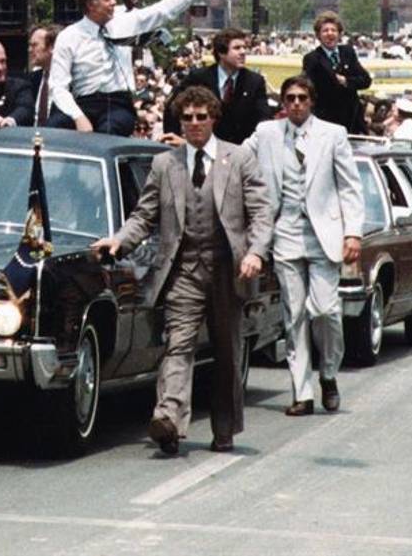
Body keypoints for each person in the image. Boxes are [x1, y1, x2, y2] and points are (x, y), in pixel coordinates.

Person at [92, 86, 272, 454]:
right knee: (178, 344)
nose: (193, 124)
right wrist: (120, 240)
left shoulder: (238, 159)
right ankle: (169, 419)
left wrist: (255, 252)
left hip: (228, 269)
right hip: (183, 269)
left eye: (201, 116)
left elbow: (261, 212)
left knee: (226, 351)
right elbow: (144, 216)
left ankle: (224, 428)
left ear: (213, 118)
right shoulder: (165, 164)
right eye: (187, 117)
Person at [244, 76, 363, 415]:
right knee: (293, 313)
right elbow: (233, 156)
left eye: (301, 98)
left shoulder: (333, 134)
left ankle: (328, 373)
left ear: (311, 101)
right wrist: (190, 144)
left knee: (325, 311)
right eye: (289, 98)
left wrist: (352, 232)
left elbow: (350, 187)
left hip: (324, 234)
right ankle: (302, 391)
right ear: (282, 102)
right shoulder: (267, 133)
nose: (295, 103)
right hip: (284, 233)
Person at [48, 0, 211, 136]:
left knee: (109, 132)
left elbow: (163, 10)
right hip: (82, 101)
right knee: (54, 130)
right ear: (91, 5)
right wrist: (78, 117)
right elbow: (57, 87)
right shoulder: (69, 36)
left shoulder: (124, 22)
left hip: (117, 103)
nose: (113, 3)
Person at [164, 28, 273, 144]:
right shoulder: (199, 77)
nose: (243, 52)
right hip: (204, 148)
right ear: (221, 52)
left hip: (240, 152)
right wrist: (174, 140)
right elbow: (173, 107)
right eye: (237, 48)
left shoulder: (254, 81)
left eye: (244, 47)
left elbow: (264, 120)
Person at [300, 11, 371, 134]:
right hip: (326, 120)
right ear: (318, 35)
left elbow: (365, 79)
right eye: (325, 31)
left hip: (352, 120)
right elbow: (309, 88)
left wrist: (346, 81)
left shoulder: (348, 53)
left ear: (339, 34)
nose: (330, 34)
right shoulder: (312, 58)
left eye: (333, 30)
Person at [24, 25, 56, 127]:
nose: (29, 50)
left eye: (34, 45)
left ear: (51, 47)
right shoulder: (33, 79)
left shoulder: (71, 82)